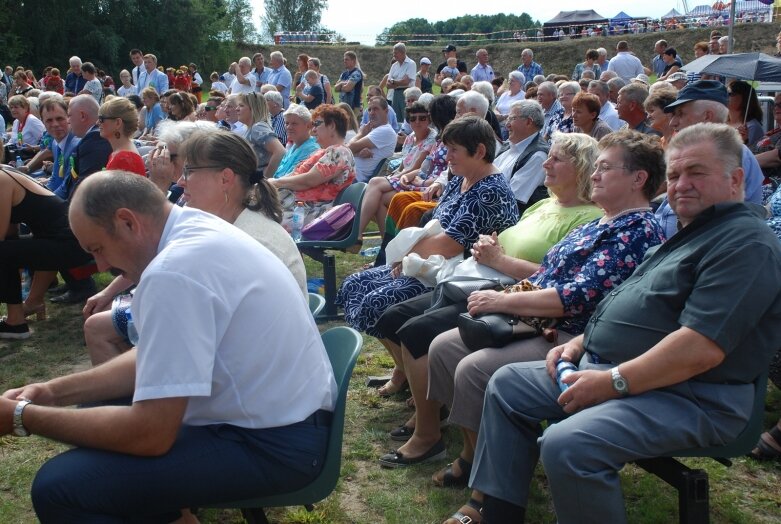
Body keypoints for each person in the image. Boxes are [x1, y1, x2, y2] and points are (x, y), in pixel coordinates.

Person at [462, 123, 781, 523]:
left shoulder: (744, 243)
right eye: (676, 174)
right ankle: (497, 512)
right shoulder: (690, 234)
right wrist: (579, 344)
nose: (681, 184)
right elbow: (625, 302)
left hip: (692, 397)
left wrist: (613, 380)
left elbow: (700, 348)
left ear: (735, 179)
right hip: (619, 371)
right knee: (508, 384)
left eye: (696, 172)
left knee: (569, 444)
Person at [1, 171, 337, 522]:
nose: (100, 265)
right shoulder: (193, 228)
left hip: (274, 445)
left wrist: (24, 417)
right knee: (99, 426)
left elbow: (151, 435)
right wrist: (50, 393)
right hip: (285, 426)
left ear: (127, 222)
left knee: (61, 488)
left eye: (97, 249)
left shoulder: (174, 271)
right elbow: (152, 358)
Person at [383, 131, 665, 484]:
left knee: (471, 367)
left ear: (638, 179)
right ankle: (474, 451)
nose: (595, 173)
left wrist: (501, 298)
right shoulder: (603, 220)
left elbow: (574, 297)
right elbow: (548, 272)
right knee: (441, 346)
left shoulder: (636, 229)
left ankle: (492, 475)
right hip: (530, 309)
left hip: (571, 332)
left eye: (605, 168)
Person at [372, 131, 602, 409]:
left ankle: (429, 420)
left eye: (557, 159)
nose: (546, 163)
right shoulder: (543, 204)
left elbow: (555, 278)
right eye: (549, 156)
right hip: (480, 279)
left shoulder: (589, 218)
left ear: (581, 167)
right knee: (392, 316)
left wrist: (499, 260)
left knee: (416, 331)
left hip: (514, 295)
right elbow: (506, 244)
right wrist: (491, 246)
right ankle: (425, 392)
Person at [336, 116, 520, 340]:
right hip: (431, 263)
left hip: (458, 274)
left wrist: (405, 256)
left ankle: (405, 369)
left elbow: (450, 244)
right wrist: (406, 257)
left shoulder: (490, 192)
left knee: (375, 302)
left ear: (480, 151)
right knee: (353, 285)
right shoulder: (460, 179)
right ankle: (403, 368)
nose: (447, 157)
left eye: (454, 150)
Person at [0, 166, 94, 338]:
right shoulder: (6, 173)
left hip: (73, 243)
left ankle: (15, 322)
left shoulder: (1, 178)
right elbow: (9, 234)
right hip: (66, 240)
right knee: (8, 250)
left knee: (4, 253)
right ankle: (31, 304)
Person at [269, 104, 356, 232]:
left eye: (317, 124)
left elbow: (309, 180)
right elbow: (295, 174)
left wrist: (274, 183)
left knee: (258, 218)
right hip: (298, 207)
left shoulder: (340, 152)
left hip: (313, 214)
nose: (313, 130)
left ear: (332, 126)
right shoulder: (324, 152)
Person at [358, 102, 438, 240]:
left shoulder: (432, 138)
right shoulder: (409, 138)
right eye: (413, 119)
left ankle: (357, 234)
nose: (417, 122)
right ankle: (387, 244)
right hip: (404, 177)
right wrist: (394, 175)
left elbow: (415, 167)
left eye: (422, 118)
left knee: (375, 184)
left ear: (429, 120)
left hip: (415, 180)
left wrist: (393, 177)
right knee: (375, 196)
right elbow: (404, 163)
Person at [348, 96, 398, 183]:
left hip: (353, 178)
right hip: (347, 173)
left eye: (375, 109)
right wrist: (358, 153)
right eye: (369, 110)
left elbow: (347, 149)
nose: (371, 113)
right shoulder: (372, 130)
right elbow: (346, 151)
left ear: (386, 111)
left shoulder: (385, 130)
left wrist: (360, 134)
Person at [237, 92, 285, 176]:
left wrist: (265, 179)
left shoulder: (258, 127)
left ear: (254, 108)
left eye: (241, 106)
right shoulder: (251, 128)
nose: (237, 109)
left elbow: (280, 151)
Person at [98, 96, 146, 177]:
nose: (97, 123)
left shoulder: (123, 158)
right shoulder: (121, 152)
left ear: (117, 123)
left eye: (101, 119)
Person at [272, 103, 319, 179]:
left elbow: (292, 179)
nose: (289, 127)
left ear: (308, 126)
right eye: (287, 123)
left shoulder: (311, 150)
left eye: (294, 124)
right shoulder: (295, 145)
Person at [727, 80, 764, 148]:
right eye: (725, 92)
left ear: (745, 98)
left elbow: (749, 155)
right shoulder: (720, 121)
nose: (726, 96)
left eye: (730, 94)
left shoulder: (752, 127)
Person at [387, 43, 417, 123]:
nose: (394, 55)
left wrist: (393, 82)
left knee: (407, 117)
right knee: (396, 118)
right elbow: (388, 85)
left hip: (407, 94)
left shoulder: (411, 64)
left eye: (395, 53)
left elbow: (406, 82)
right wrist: (398, 82)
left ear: (402, 52)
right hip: (395, 94)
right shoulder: (394, 66)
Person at [334, 51, 364, 116]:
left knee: (354, 125)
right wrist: (343, 83)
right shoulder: (344, 74)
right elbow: (336, 89)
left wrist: (341, 86)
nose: (344, 61)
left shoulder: (356, 73)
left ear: (353, 61)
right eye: (344, 59)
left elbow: (347, 88)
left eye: (347, 59)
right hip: (343, 107)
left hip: (354, 107)